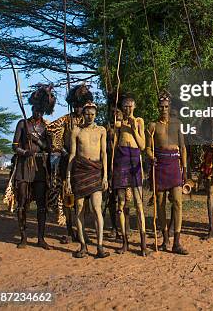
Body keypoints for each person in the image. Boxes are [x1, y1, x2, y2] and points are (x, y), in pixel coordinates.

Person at [47, 84, 93, 243]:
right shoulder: (65, 120)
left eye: (81, 106)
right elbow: (51, 130)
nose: (78, 108)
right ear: (72, 104)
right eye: (76, 105)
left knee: (83, 199)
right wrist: (62, 149)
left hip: (83, 165)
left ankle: (82, 230)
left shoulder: (88, 121)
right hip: (67, 163)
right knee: (67, 198)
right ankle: (69, 230)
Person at [12, 84, 56, 249]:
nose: (37, 112)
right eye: (35, 109)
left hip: (40, 167)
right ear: (31, 108)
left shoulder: (45, 127)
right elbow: (14, 146)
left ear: (43, 111)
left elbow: (49, 148)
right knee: (22, 203)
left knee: (41, 205)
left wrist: (37, 140)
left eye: (40, 110)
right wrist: (25, 152)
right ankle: (23, 237)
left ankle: (40, 238)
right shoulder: (22, 124)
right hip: (24, 167)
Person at [146, 90, 188, 255]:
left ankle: (177, 242)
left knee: (177, 202)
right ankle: (165, 239)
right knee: (161, 203)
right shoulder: (153, 126)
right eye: (161, 106)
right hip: (160, 165)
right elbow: (148, 148)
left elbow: (183, 147)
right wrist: (151, 157)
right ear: (158, 107)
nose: (163, 109)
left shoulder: (177, 124)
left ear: (170, 107)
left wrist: (183, 168)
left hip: (174, 165)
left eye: (166, 106)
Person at [66, 102, 109, 258]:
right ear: (82, 114)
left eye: (92, 114)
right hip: (80, 172)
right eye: (87, 113)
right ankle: (83, 245)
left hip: (96, 171)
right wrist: (68, 179)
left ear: (96, 114)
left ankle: (100, 246)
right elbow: (72, 155)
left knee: (97, 208)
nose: (89, 116)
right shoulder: (76, 131)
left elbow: (104, 154)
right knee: (79, 207)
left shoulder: (101, 130)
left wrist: (105, 176)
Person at [112, 93, 147, 255]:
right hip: (121, 161)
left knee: (139, 204)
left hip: (134, 160)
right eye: (125, 106)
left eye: (130, 106)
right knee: (121, 203)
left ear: (135, 106)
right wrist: (114, 130)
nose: (127, 109)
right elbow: (113, 146)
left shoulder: (139, 121)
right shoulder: (118, 123)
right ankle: (124, 241)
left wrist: (133, 128)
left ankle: (143, 243)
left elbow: (142, 145)